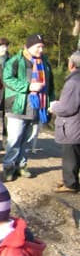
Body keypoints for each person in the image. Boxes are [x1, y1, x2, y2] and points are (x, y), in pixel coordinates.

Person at [2, 34, 55, 182]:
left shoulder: (45, 63)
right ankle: (8, 167)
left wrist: (51, 101)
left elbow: (50, 85)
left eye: (42, 46)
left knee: (28, 139)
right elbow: (7, 79)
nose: (41, 49)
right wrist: (28, 86)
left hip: (37, 107)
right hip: (18, 107)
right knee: (14, 139)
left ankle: (21, 165)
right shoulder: (15, 61)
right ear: (28, 46)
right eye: (38, 46)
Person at [49, 50, 80, 193]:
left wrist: (54, 106)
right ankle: (70, 178)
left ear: (72, 64)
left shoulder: (74, 81)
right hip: (76, 124)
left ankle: (70, 183)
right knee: (75, 154)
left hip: (73, 126)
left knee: (70, 155)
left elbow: (68, 108)